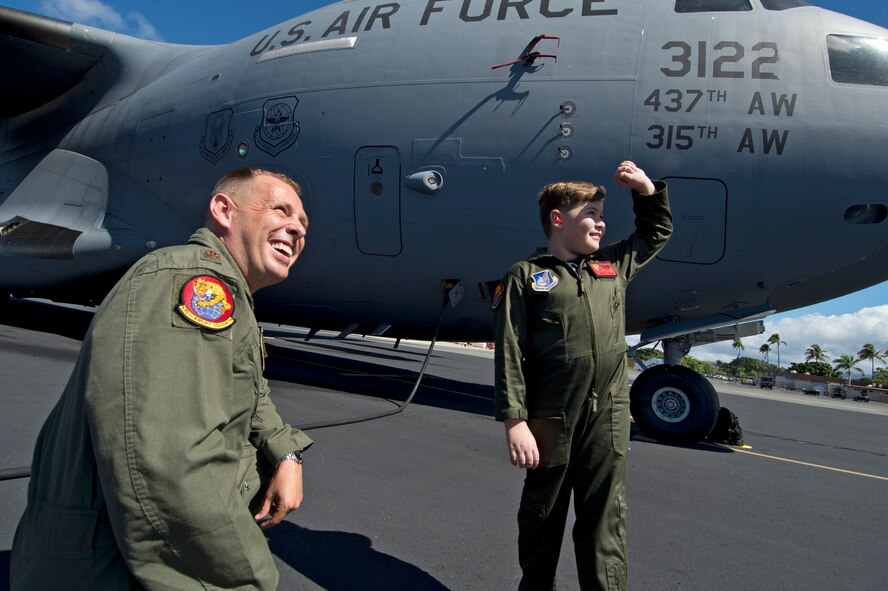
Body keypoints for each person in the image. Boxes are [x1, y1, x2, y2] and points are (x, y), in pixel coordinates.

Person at [11, 168, 314, 590]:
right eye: (281, 210)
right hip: (110, 570)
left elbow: (249, 386)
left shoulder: (221, 291)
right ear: (224, 210)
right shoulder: (193, 284)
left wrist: (286, 453)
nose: (296, 229)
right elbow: (171, 475)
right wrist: (248, 580)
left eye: (302, 224)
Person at [493, 161, 672, 590]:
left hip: (608, 415)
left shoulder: (612, 267)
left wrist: (646, 190)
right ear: (558, 219)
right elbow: (510, 351)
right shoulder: (525, 277)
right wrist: (515, 421)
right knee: (542, 515)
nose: (600, 224)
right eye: (591, 214)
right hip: (551, 415)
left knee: (605, 519)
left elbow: (655, 234)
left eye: (603, 215)